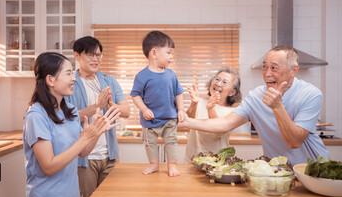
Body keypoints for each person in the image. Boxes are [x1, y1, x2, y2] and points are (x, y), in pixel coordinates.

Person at [179, 45, 329, 165]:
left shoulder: (311, 94)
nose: (267, 73)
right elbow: (225, 123)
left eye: (274, 68)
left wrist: (277, 107)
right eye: (265, 67)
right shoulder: (256, 96)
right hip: (276, 169)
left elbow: (294, 141)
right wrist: (186, 121)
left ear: (293, 70)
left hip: (312, 168)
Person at [23, 52, 120, 197]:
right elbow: (49, 166)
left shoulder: (70, 111)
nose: (73, 78)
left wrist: (96, 132)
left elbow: (82, 151)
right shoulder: (36, 116)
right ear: (51, 80)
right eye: (68, 73)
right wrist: (86, 138)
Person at [65, 36, 130, 197]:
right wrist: (96, 107)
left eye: (99, 55)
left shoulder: (108, 81)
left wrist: (111, 105)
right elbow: (67, 118)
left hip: (110, 156)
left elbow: (126, 110)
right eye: (91, 55)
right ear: (77, 55)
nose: (96, 59)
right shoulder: (70, 83)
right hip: (84, 157)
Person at [130, 31, 184, 176]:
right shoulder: (142, 76)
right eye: (169, 52)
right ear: (154, 53)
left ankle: (171, 166)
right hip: (150, 120)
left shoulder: (171, 75)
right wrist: (144, 109)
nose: (172, 56)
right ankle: (154, 165)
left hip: (169, 119)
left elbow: (178, 93)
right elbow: (135, 95)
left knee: (171, 141)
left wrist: (181, 110)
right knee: (150, 143)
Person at [184, 66, 250, 163]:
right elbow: (188, 121)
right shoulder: (200, 101)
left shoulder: (233, 111)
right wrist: (194, 103)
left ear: (232, 92)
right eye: (217, 79)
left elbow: (219, 131)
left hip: (217, 163)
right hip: (191, 160)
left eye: (224, 82)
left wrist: (210, 109)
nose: (218, 83)